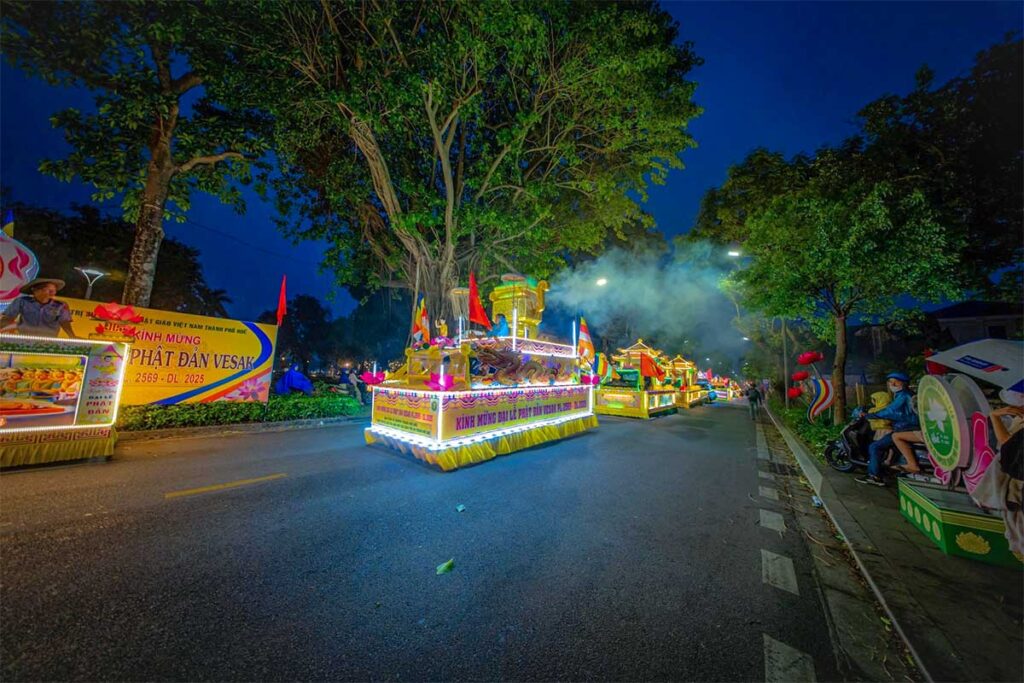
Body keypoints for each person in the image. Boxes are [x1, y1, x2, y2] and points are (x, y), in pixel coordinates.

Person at [856, 372, 917, 487]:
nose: (892, 384)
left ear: (903, 383)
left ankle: (874, 476)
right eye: (890, 382)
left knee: (875, 446)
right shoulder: (902, 395)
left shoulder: (904, 395)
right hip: (903, 428)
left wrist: (870, 415)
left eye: (896, 381)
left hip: (905, 429)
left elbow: (890, 411)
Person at [0, 278, 76, 338]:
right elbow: (8, 318)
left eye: (53, 290)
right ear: (35, 290)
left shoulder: (61, 305)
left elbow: (65, 322)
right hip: (24, 338)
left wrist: (72, 336)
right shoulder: (22, 301)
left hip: (48, 340)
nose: (51, 293)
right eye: (47, 289)